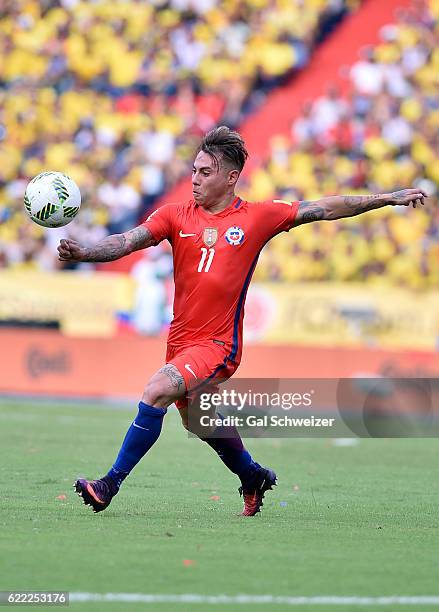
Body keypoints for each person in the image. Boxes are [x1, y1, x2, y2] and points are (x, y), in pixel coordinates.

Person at [57, 126, 426, 516]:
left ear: (231, 178)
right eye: (194, 170)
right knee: (201, 422)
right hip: (180, 342)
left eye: (205, 172)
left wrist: (384, 199)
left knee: (155, 390)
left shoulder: (256, 217)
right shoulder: (173, 215)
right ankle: (253, 476)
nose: (194, 179)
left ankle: (109, 484)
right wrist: (86, 253)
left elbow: (324, 208)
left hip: (218, 345)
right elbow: (127, 241)